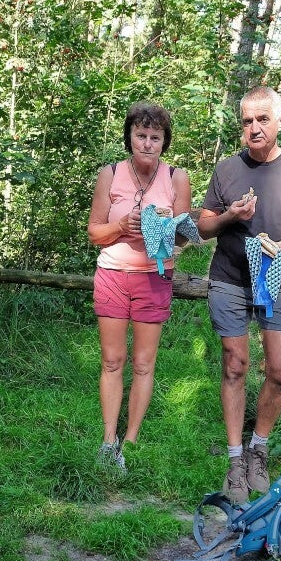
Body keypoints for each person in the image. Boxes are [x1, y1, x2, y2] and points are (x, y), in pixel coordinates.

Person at [196, 87, 281, 504]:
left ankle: (259, 448)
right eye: (247, 121)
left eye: (262, 119)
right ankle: (236, 459)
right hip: (230, 280)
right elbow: (203, 226)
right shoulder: (227, 169)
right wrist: (230, 215)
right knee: (235, 365)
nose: (254, 127)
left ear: (280, 121)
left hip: (278, 281)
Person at [87, 102, 192, 470]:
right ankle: (108, 440)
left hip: (154, 277)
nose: (148, 143)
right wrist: (122, 226)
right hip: (113, 275)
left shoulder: (177, 178)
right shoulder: (110, 174)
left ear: (164, 142)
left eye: (155, 137)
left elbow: (183, 237)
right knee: (112, 360)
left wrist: (166, 228)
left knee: (144, 363)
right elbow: (94, 233)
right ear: (129, 137)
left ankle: (129, 442)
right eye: (141, 135)